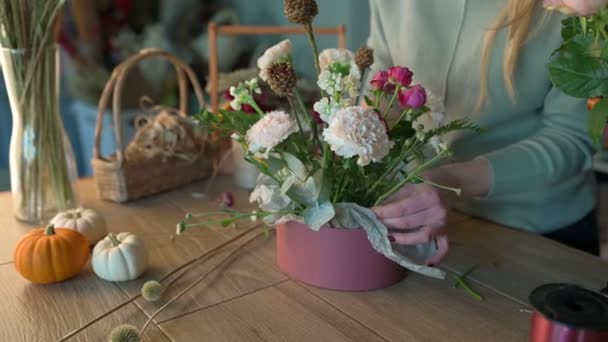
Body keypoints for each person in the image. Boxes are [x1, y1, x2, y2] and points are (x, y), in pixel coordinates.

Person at [368, 0, 598, 265]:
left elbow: (573, 138)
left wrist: (451, 182)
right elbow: (382, 94)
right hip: (424, 225)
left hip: (542, 235)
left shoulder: (576, 7)